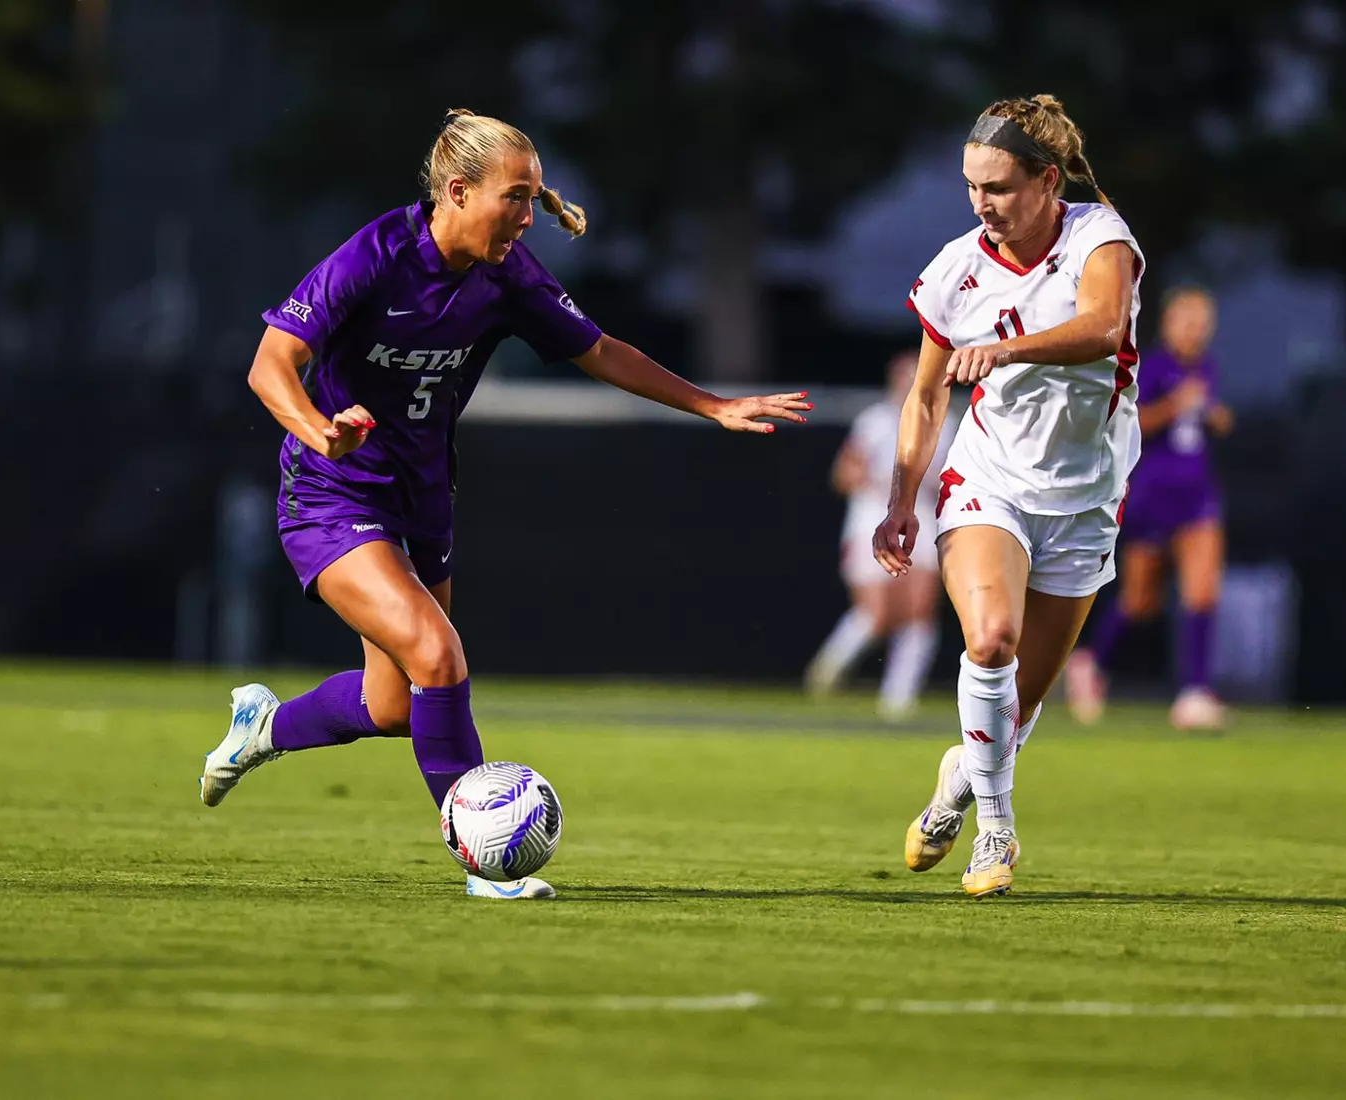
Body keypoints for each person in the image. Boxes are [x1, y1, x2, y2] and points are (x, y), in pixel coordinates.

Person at [197, 109, 812, 900]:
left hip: (422, 499)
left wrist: (711, 405)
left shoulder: (507, 274)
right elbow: (271, 364)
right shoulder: (375, 257)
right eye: (515, 198)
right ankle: (484, 867)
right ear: (457, 190)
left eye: (533, 198)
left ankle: (265, 729)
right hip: (330, 491)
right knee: (439, 656)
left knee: (393, 707)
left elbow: (601, 350)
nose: (527, 216)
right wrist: (320, 431)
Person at [877, 94, 1143, 898]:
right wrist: (901, 500)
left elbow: (1103, 326)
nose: (980, 203)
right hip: (988, 482)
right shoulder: (956, 269)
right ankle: (996, 832)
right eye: (970, 186)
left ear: (1046, 181)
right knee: (990, 641)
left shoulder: (1102, 237)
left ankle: (964, 777)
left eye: (996, 187)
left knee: (1014, 711)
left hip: (1088, 498)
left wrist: (1002, 349)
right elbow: (926, 399)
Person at [1066, 287, 1233, 730]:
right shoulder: (1152, 366)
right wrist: (1175, 406)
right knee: (1140, 600)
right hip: (1152, 493)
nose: (1196, 330)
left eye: (1202, 321)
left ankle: (1196, 692)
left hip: (1197, 494)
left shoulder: (1206, 369)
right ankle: (1090, 662)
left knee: (1203, 589)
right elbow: (1130, 421)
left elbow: (1202, 421)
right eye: (1188, 319)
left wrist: (1215, 416)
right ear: (1169, 323)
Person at [804, 350, 957, 721]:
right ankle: (828, 669)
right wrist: (888, 486)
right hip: (872, 519)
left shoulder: (946, 422)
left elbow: (950, 475)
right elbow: (844, 475)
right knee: (877, 612)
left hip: (922, 519)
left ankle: (898, 699)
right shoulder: (874, 422)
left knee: (920, 610)